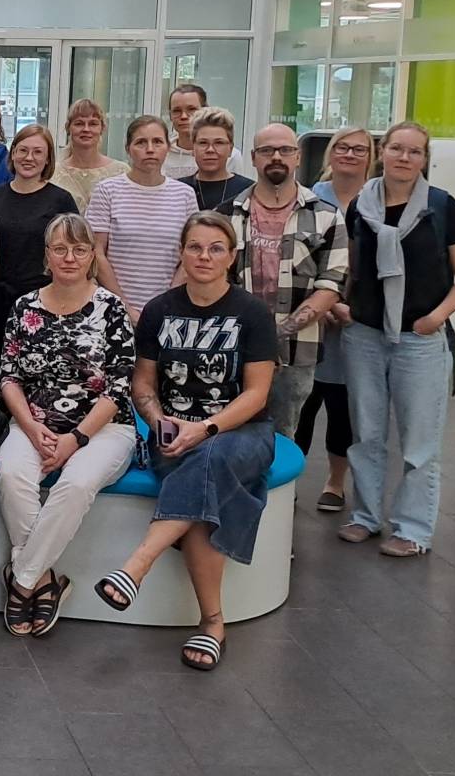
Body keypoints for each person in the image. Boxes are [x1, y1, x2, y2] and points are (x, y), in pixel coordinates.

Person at [96, 212, 277, 673]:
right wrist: (158, 422)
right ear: (181, 253)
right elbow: (143, 383)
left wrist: (206, 427)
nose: (204, 256)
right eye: (195, 247)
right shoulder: (159, 310)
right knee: (202, 499)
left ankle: (138, 563)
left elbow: (257, 394)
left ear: (232, 257)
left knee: (210, 458)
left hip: (241, 432)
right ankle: (212, 623)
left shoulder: (253, 313)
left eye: (215, 248)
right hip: (175, 435)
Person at [336, 121, 455, 557]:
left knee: (419, 442)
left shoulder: (443, 208)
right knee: (366, 434)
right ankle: (365, 516)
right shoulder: (361, 204)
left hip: (420, 339)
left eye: (415, 151)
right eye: (397, 148)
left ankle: (413, 529)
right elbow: (351, 264)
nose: (404, 157)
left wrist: (438, 317)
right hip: (364, 334)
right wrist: (343, 305)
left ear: (425, 159)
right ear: (382, 151)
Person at [0, 213, 136, 639]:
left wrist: (76, 438)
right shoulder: (25, 306)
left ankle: (21, 582)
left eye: (79, 249)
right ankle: (45, 581)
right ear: (47, 256)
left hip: (104, 427)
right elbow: (8, 377)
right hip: (34, 421)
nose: (69, 257)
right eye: (60, 249)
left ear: (92, 255)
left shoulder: (112, 308)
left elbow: (119, 387)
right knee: (11, 474)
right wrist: (30, 426)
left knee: (75, 484)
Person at [218, 123, 348, 438]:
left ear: (298, 156)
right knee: (227, 434)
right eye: (267, 150)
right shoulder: (225, 215)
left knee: (283, 437)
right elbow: (214, 282)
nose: (276, 157)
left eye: (285, 150)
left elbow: (330, 286)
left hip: (295, 353)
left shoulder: (327, 216)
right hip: (232, 348)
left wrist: (276, 335)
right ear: (253, 157)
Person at [295, 126, 374, 511]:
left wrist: (352, 306)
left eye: (359, 149)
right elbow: (299, 255)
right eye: (342, 147)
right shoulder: (311, 197)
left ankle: (335, 482)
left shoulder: (378, 199)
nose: (350, 154)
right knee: (301, 405)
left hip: (358, 318)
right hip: (313, 314)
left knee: (343, 405)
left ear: (371, 156)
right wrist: (323, 303)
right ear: (330, 153)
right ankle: (288, 482)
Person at [0, 125, 76, 383]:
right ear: (12, 154)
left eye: (38, 152)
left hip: (43, 303)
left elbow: (72, 254)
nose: (29, 158)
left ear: (47, 159)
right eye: (23, 150)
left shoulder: (61, 200)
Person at [85, 116, 197, 318]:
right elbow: (97, 252)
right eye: (141, 142)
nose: (150, 149)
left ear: (168, 147)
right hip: (114, 309)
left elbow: (191, 253)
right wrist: (125, 308)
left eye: (157, 142)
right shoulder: (107, 190)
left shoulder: (185, 194)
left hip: (169, 310)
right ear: (128, 149)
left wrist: (166, 305)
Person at [50, 98, 128, 209]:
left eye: (93, 124)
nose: (86, 129)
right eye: (79, 124)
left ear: (102, 129)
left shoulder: (121, 172)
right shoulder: (52, 173)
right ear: (68, 128)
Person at [163, 85, 245, 181]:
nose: (183, 116)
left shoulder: (230, 156)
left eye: (191, 109)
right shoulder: (161, 153)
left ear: (204, 110)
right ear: (170, 115)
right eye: (176, 111)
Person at [180, 108, 254, 210]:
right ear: (193, 148)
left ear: (230, 149)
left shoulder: (248, 191)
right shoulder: (177, 190)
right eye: (203, 143)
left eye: (219, 143)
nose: (210, 150)